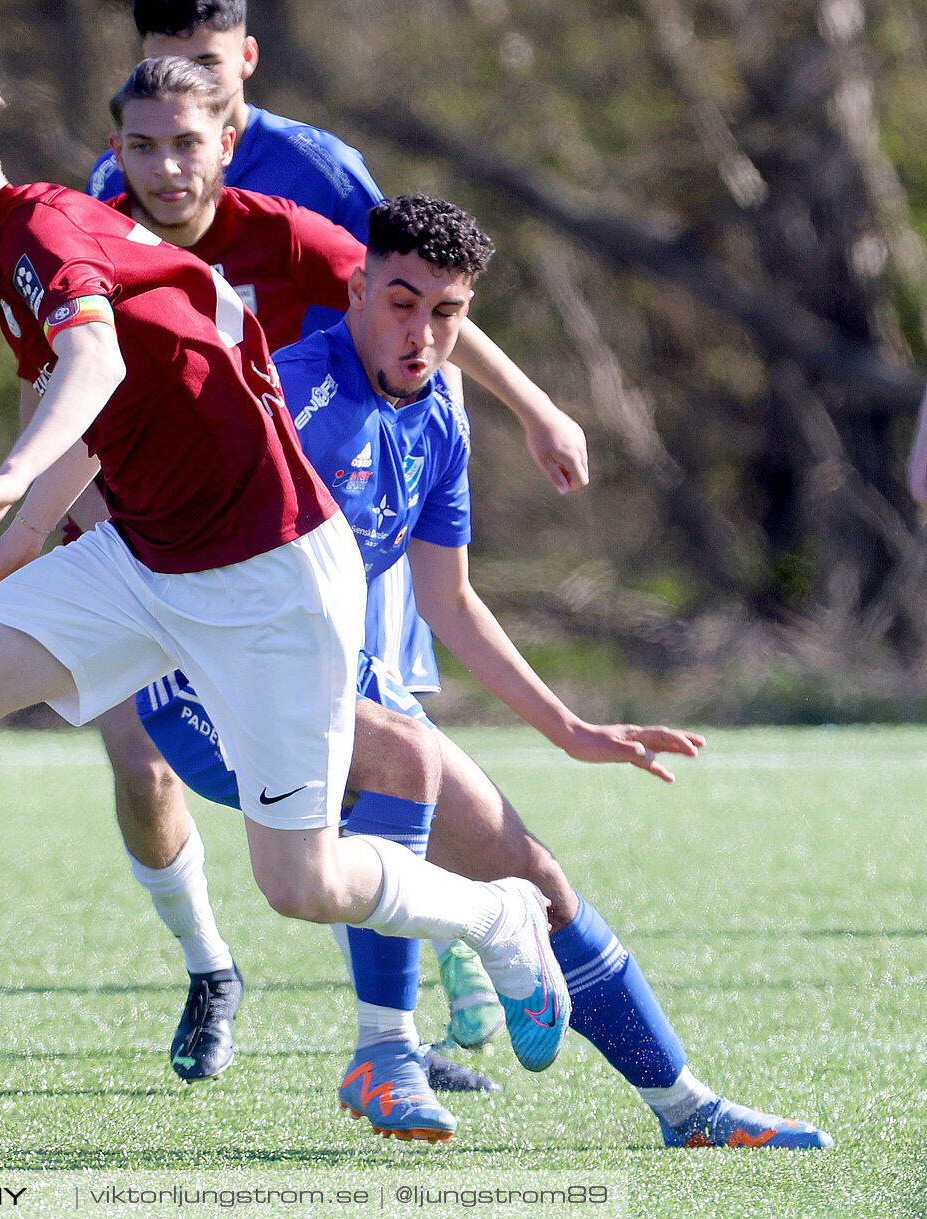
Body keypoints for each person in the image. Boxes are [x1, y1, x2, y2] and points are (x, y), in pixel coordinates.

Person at [0, 51, 572, 1111]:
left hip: (273, 576)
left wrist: (14, 479)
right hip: (149, 555)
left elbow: (94, 370)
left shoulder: (41, 231)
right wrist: (27, 536)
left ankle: (499, 919)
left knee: (302, 885)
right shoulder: (5, 255)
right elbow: (111, 402)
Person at [134, 190, 832, 1148]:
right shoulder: (294, 392)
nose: (421, 332)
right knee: (398, 768)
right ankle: (386, 1055)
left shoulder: (441, 421)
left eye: (447, 313)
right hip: (207, 689)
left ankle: (688, 1109)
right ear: (356, 286)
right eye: (401, 301)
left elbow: (449, 601)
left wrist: (570, 727)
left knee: (537, 875)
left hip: (339, 688)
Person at [85, 0, 589, 1078]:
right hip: (179, 523)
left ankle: (430, 977)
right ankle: (212, 971)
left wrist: (532, 404)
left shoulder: (309, 174)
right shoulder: (115, 184)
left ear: (246, 72)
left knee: (389, 769)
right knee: (141, 761)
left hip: (332, 512)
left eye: (207, 74)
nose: (180, 120)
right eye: (160, 80)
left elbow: (423, 291)